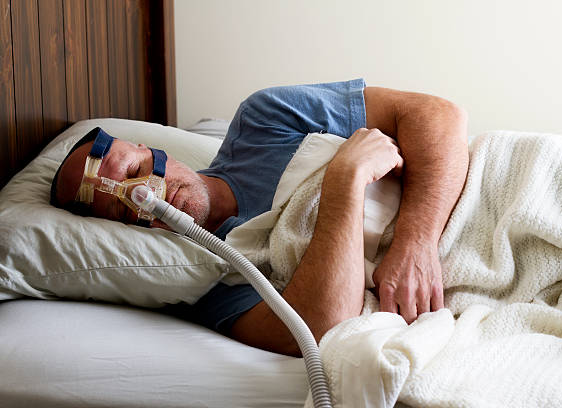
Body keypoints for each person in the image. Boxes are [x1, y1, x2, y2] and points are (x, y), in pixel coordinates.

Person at [51, 79, 469, 356]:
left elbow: (437, 115)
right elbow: (320, 328)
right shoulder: (207, 280)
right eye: (122, 207)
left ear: (147, 147)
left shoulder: (264, 120)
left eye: (132, 172)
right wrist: (346, 177)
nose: (147, 196)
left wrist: (416, 241)